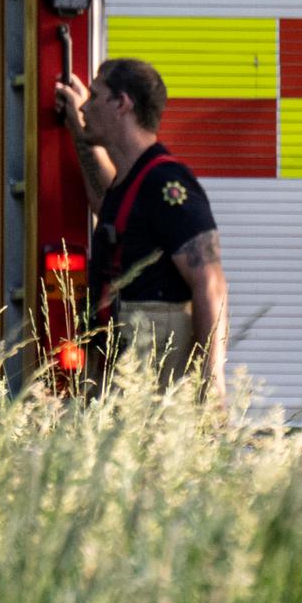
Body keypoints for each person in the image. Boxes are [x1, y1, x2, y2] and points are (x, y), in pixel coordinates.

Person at [51, 56, 226, 381]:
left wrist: (211, 383)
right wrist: (77, 127)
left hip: (153, 375)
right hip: (125, 365)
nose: (86, 108)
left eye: (94, 97)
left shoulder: (167, 183)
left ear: (121, 103)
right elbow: (105, 201)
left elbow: (210, 284)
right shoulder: (130, 184)